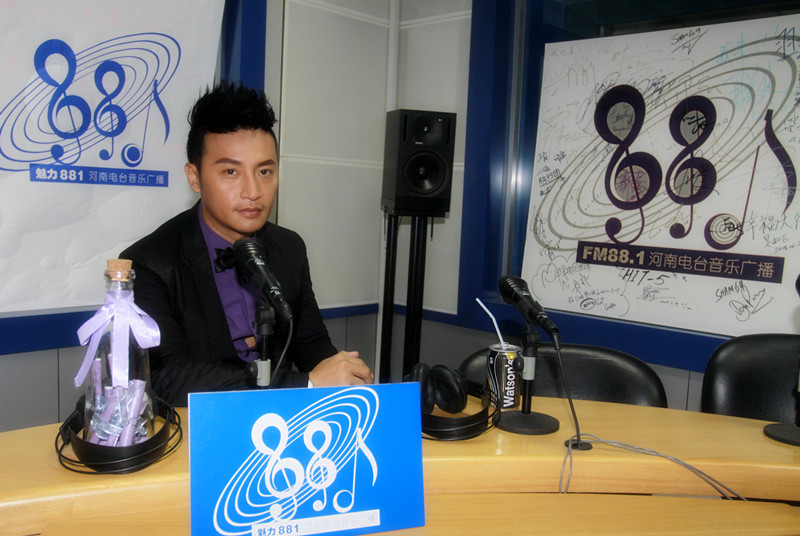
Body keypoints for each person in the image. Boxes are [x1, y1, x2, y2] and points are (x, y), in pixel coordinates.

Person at [121, 81, 373, 406]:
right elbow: (167, 377)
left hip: (283, 423)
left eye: (265, 171)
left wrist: (344, 375)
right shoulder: (149, 263)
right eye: (231, 171)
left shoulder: (289, 247)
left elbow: (311, 344)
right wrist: (306, 383)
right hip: (200, 427)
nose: (253, 191)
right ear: (194, 177)